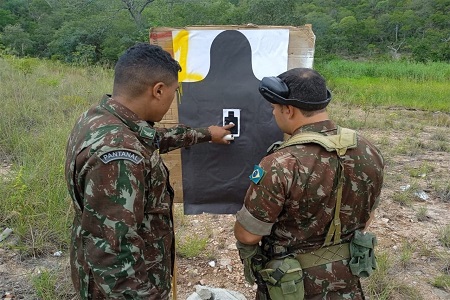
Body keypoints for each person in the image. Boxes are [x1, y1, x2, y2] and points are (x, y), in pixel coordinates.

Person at [65, 43, 233, 300]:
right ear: (158, 90)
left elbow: (151, 138)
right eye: (174, 93)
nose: (172, 99)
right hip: (126, 288)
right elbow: (115, 255)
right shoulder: (119, 155)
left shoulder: (101, 119)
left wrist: (207, 134)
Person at [234, 68, 384, 299]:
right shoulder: (368, 150)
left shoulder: (280, 164)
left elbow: (248, 236)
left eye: (275, 108)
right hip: (346, 281)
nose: (274, 114)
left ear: (288, 109)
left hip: (291, 286)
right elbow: (367, 217)